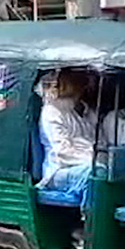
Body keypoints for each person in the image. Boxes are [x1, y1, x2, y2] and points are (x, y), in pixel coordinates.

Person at [36, 70, 98, 205]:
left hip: (88, 163)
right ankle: (90, 219)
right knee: (94, 175)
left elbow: (99, 142)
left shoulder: (87, 111)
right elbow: (62, 152)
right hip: (59, 170)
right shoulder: (52, 111)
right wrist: (94, 160)